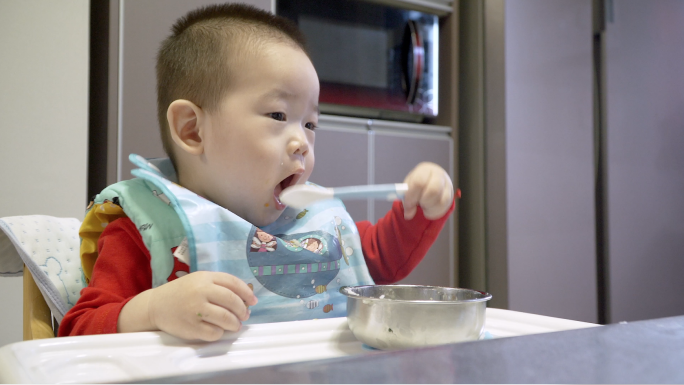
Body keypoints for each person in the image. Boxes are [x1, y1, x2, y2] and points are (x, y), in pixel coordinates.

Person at [59, 3, 454, 342]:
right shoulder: (146, 230)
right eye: (278, 116)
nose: (302, 142)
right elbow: (77, 331)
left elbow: (376, 260)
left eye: (310, 125)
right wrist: (152, 310)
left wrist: (422, 208)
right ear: (192, 130)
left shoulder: (312, 221)